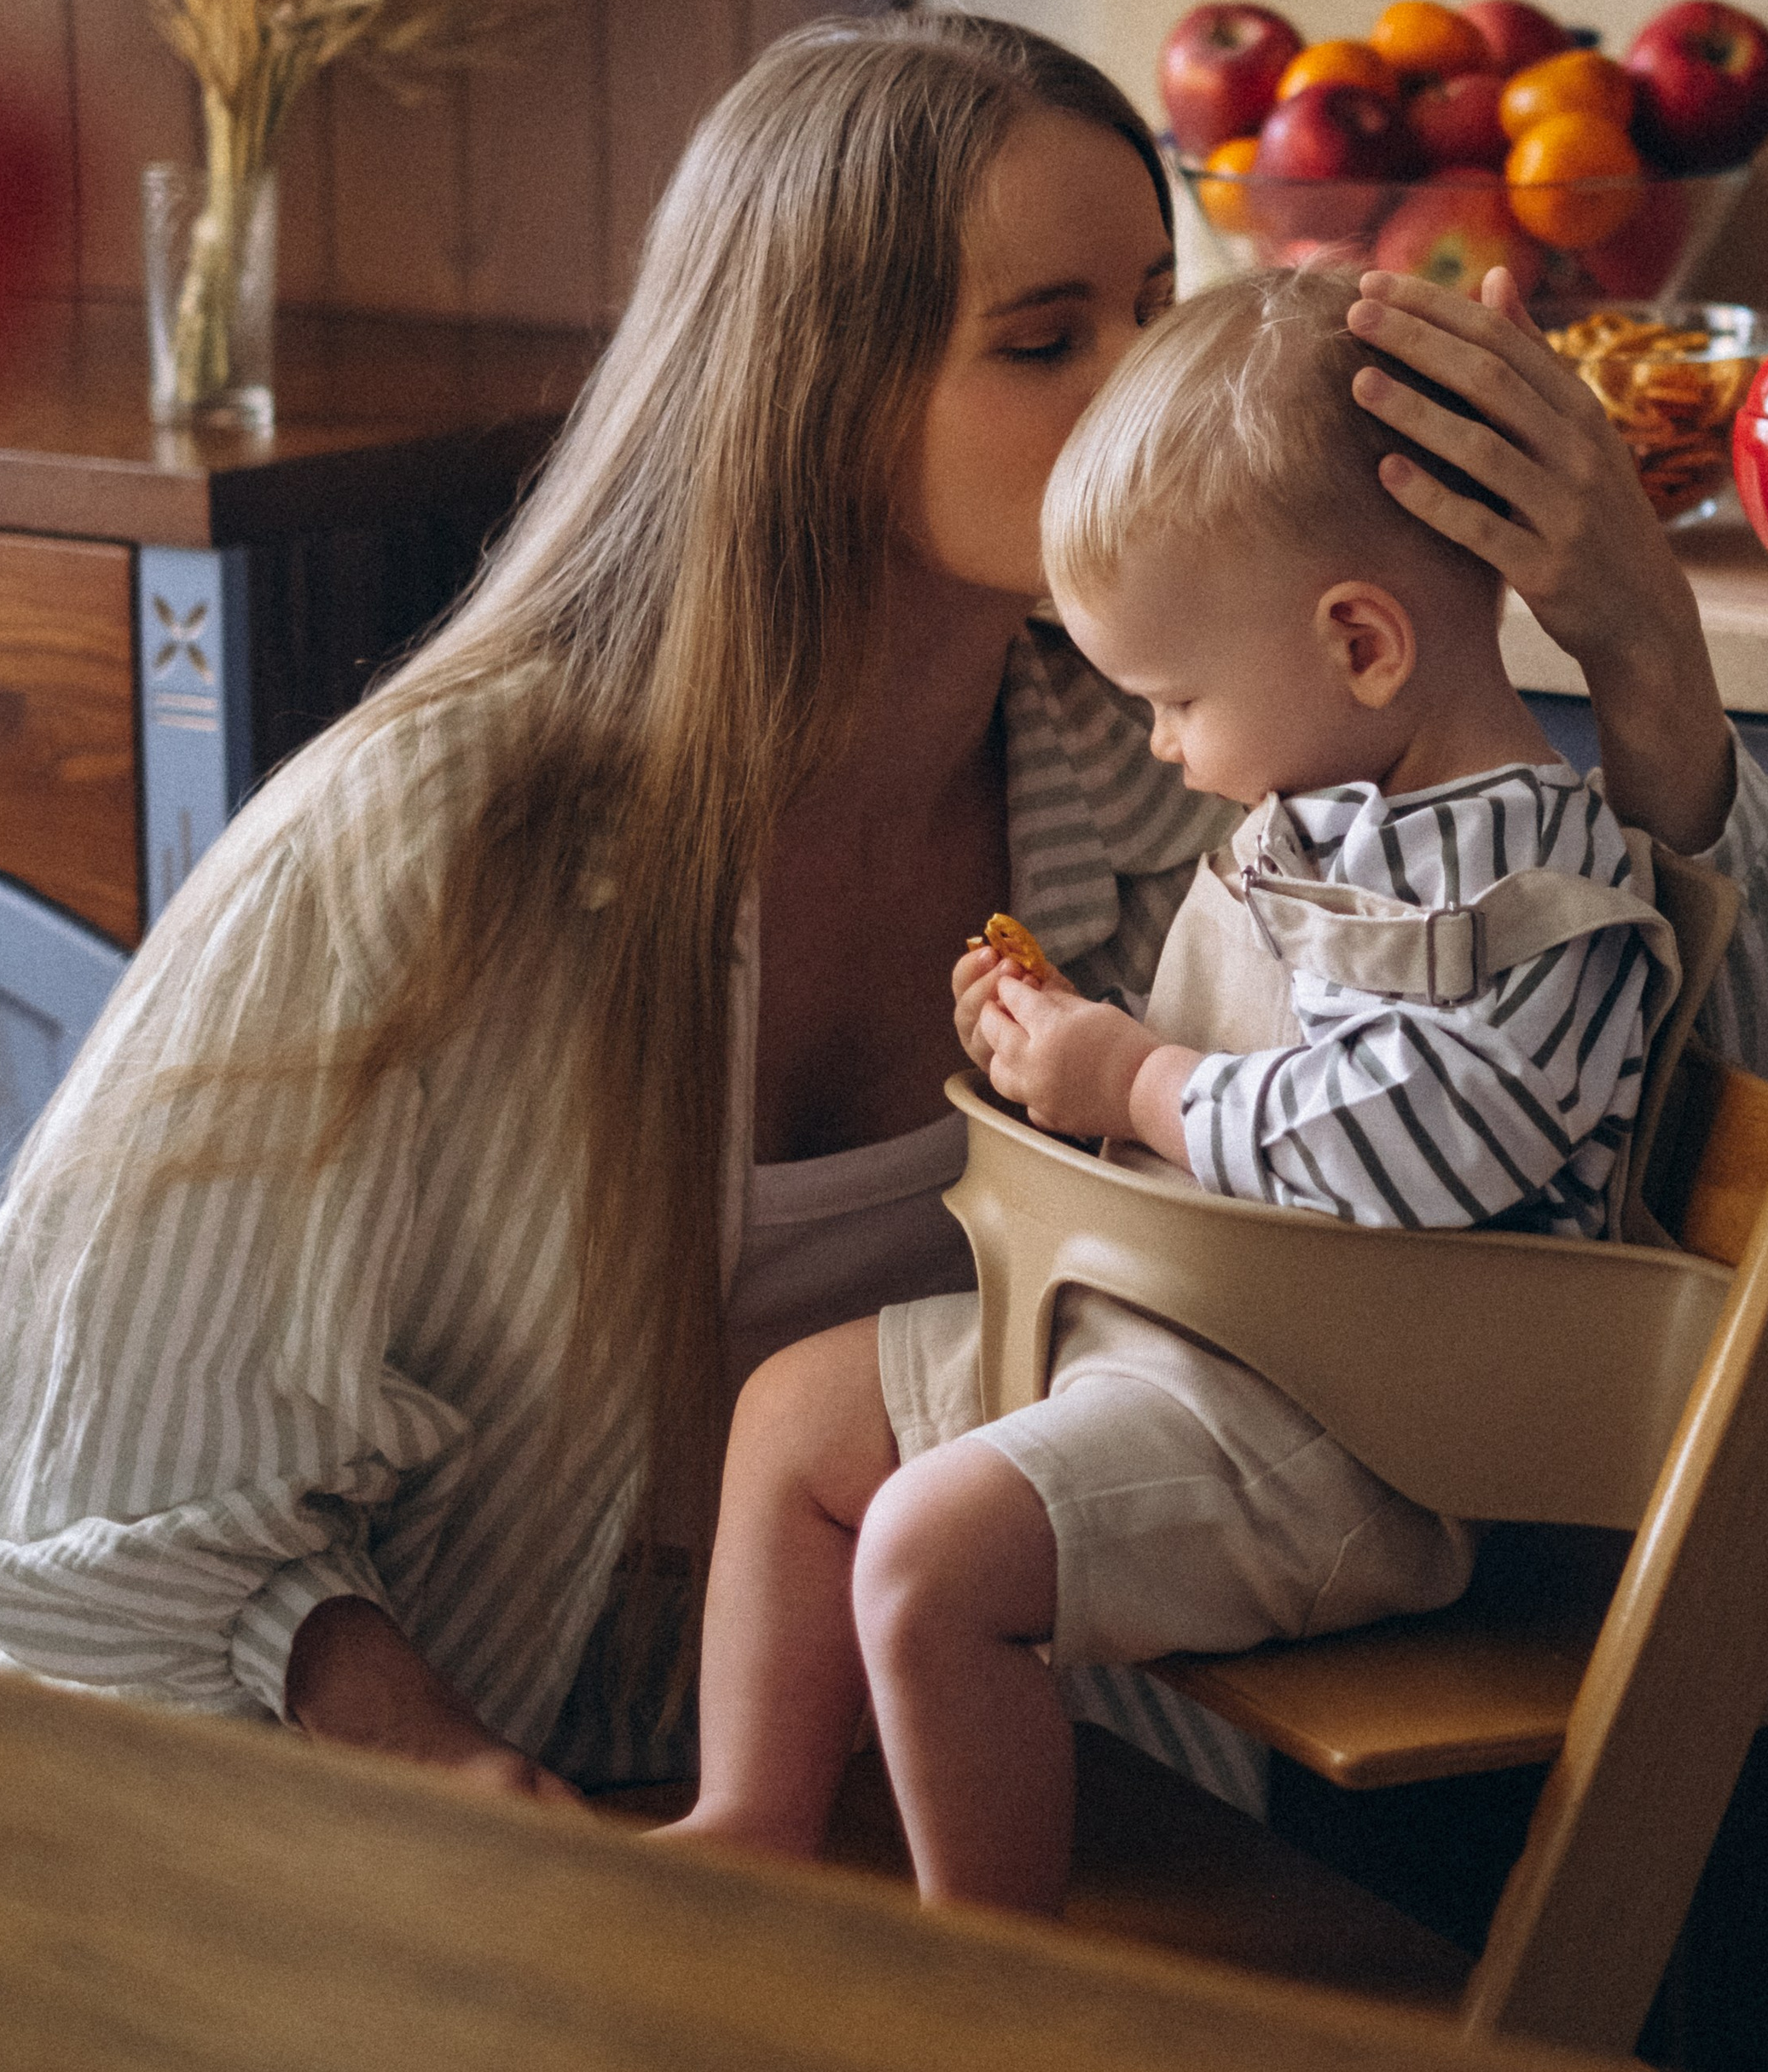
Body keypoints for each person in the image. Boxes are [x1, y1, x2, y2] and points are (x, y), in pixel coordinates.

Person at [0, 12, 1768, 1805]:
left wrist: (1636, 653)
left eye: (1151, 309)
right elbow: (89, 1473)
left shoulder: (1196, 787)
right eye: (1043, 343)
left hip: (1045, 1803)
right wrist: (464, 1799)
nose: (1141, 393)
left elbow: (1717, 1126)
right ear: (809, 396)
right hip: (499, 1813)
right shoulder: (432, 831)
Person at [673, 265, 1704, 1911]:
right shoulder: (1333, 813)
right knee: (793, 1414)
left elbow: (1414, 1151)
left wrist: (1138, 1081)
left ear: (1360, 644)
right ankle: (750, 1830)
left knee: (932, 1555)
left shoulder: (1527, 887)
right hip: (1199, 1350)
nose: (1156, 746)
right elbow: (1253, 1079)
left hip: (1359, 1441)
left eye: (1175, 701)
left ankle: (997, 1973)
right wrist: (1068, 1044)